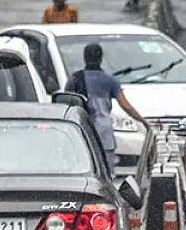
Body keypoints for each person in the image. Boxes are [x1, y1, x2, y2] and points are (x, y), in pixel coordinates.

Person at [63, 43, 151, 175]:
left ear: (84, 58)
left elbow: (66, 102)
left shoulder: (75, 79)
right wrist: (144, 122)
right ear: (101, 58)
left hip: (81, 130)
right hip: (104, 133)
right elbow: (126, 106)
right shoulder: (110, 81)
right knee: (107, 172)